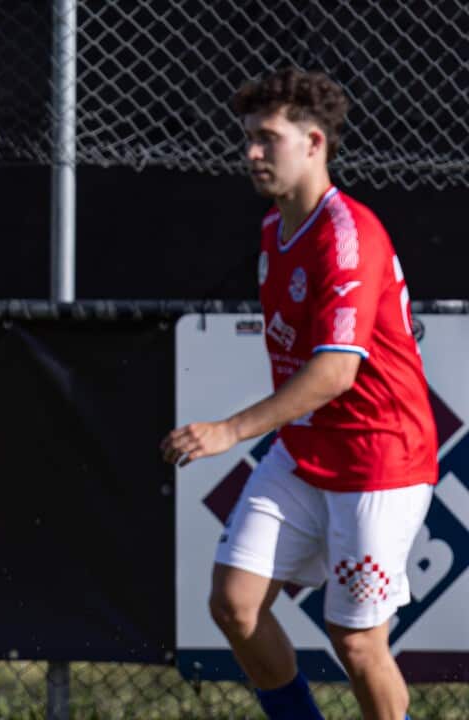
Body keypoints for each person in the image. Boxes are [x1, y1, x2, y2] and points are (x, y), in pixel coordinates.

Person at [161, 67, 436, 720]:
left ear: (315, 143)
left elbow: (336, 371)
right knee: (234, 602)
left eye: (268, 138)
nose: (252, 152)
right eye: (248, 138)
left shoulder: (347, 235)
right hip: (309, 449)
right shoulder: (273, 230)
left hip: (379, 460)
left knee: (358, 641)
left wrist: (228, 431)